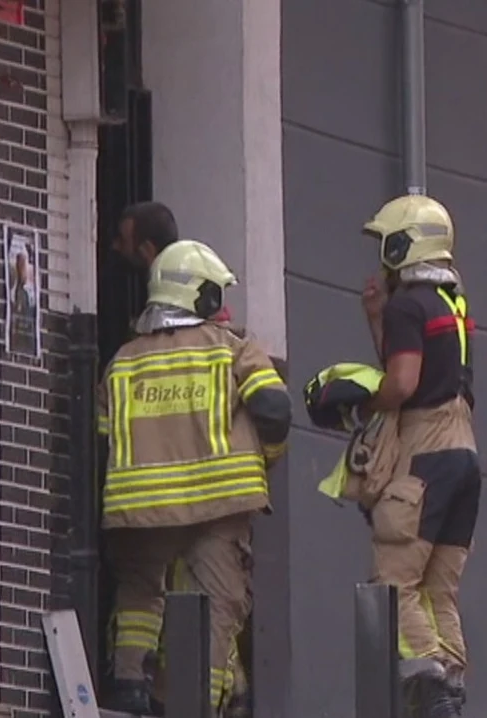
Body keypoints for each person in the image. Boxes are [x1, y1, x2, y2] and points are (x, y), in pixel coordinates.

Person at [96, 239, 292, 716]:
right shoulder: (232, 350)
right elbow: (275, 408)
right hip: (217, 506)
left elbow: (104, 436)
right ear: (202, 297)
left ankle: (129, 685)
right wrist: (265, 456)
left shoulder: (122, 361)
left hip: (139, 508)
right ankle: (197, 703)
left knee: (140, 595)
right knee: (217, 605)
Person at [359, 194, 482, 716]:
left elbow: (403, 382)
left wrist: (358, 395)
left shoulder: (410, 302)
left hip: (425, 455)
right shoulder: (453, 304)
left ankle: (430, 684)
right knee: (439, 590)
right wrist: (376, 319)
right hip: (465, 454)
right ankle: (450, 693)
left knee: (395, 581)